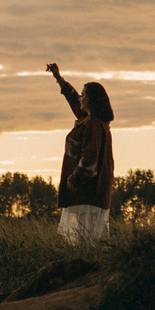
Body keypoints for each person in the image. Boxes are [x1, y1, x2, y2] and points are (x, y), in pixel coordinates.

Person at [47, 62, 115, 246]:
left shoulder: (93, 124)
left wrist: (75, 179)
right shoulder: (91, 120)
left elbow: (90, 157)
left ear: (91, 100)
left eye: (83, 96)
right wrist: (58, 78)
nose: (80, 98)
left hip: (88, 189)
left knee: (87, 240)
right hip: (91, 189)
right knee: (88, 239)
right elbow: (72, 98)